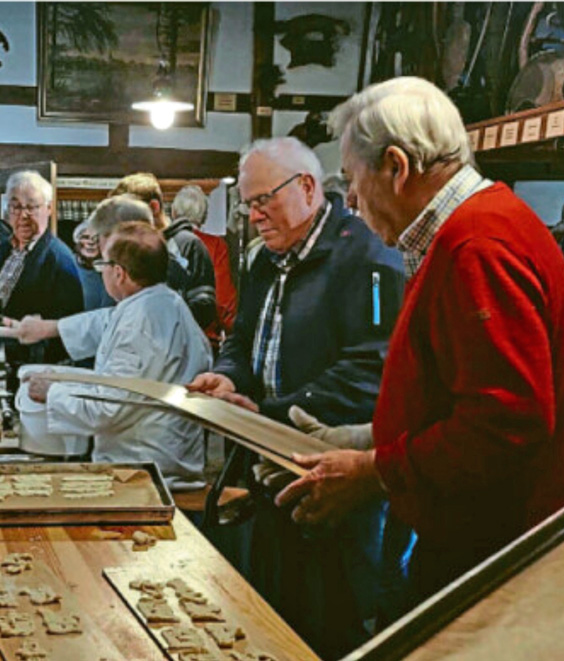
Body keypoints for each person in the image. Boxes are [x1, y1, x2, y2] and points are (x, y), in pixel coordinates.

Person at [276, 76, 564, 609]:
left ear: (397, 167)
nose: (350, 201)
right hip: (488, 545)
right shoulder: (478, 227)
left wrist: (376, 471)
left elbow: (506, 424)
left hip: (497, 558)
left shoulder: (478, 246)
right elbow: (462, 391)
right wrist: (370, 440)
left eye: (352, 180)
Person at [187, 137, 405, 656]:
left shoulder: (368, 256)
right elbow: (241, 338)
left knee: (329, 625)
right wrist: (230, 379)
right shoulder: (263, 261)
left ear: (307, 187)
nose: (254, 214)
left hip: (335, 474)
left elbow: (368, 368)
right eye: (247, 203)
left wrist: (269, 412)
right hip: (269, 464)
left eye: (264, 200)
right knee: (267, 616)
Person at [9, 221, 212, 492]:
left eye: (102, 265)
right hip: (165, 460)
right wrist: (47, 329)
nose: (100, 271)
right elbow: (104, 322)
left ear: (119, 273)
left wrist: (52, 392)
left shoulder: (138, 325)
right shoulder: (164, 301)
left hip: (145, 473)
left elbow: (107, 410)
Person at [0, 170, 84, 366]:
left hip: (31, 368)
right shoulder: (1, 248)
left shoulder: (59, 258)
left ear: (49, 208)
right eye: (15, 206)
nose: (23, 215)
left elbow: (69, 329)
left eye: (32, 207)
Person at [112, 173, 217, 330]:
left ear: (154, 207)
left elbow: (205, 308)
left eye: (129, 214)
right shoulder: (128, 250)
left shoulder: (188, 244)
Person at [172, 184, 238, 347]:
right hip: (202, 339)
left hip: (165, 339)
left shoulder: (161, 242)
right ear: (203, 216)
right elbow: (223, 298)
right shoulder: (215, 245)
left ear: (173, 212)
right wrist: (234, 332)